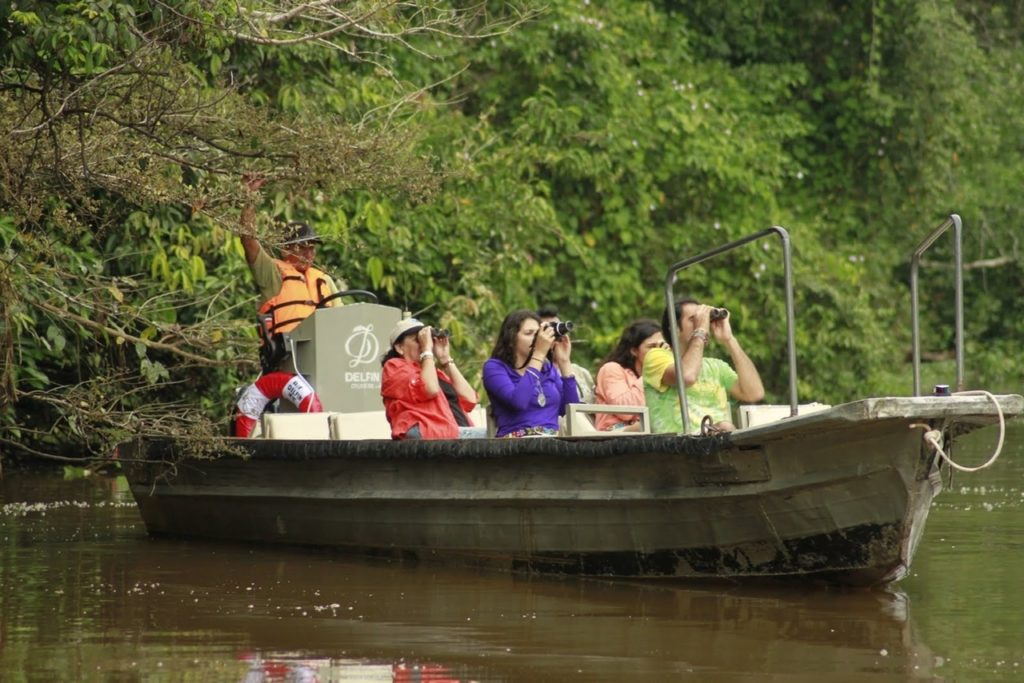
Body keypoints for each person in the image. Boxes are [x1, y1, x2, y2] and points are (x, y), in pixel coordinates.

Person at [231, 177, 346, 437]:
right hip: (288, 363)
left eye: (312, 249)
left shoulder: (324, 280)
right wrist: (249, 200)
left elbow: (343, 320)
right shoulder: (273, 274)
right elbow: (248, 241)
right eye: (302, 248)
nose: (309, 254)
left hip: (327, 361)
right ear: (286, 249)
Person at [643, 299, 764, 434]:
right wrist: (700, 330)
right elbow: (686, 377)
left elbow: (754, 393)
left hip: (719, 446)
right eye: (694, 319)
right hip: (679, 449)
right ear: (675, 328)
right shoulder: (656, 357)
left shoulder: (717, 367)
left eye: (705, 318)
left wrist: (729, 340)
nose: (703, 323)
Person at [381, 318, 485, 440]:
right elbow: (430, 389)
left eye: (425, 340)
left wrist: (445, 360)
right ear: (399, 347)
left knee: (503, 433)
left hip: (453, 432)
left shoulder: (434, 372)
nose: (424, 343)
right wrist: (427, 351)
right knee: (498, 434)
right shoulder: (394, 367)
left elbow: (470, 400)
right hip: (427, 432)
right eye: (417, 340)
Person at [483, 309, 580, 437]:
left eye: (537, 333)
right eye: (529, 333)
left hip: (552, 442)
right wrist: (539, 353)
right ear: (511, 340)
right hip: (516, 445)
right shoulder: (494, 367)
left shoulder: (547, 368)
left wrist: (564, 362)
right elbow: (518, 402)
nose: (537, 339)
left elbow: (570, 411)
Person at [594, 319, 665, 431]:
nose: (658, 352)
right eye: (652, 347)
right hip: (615, 435)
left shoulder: (662, 375)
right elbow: (626, 411)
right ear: (634, 351)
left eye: (661, 347)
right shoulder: (611, 369)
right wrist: (651, 371)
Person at [537, 305, 595, 403]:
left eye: (558, 328)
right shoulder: (534, 373)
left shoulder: (581, 373)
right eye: (548, 331)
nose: (555, 336)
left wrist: (564, 362)